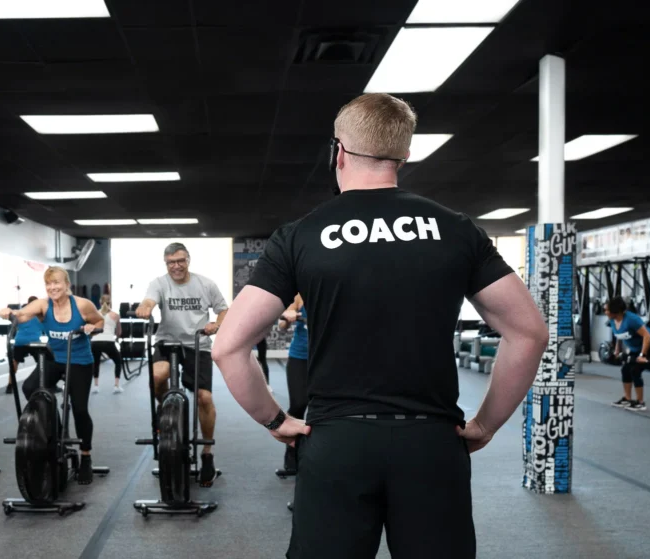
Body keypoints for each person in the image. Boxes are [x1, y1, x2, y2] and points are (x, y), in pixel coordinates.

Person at [211, 93, 548, 558]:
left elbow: (228, 346)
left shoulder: (300, 235)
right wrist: (487, 424)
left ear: (338, 153)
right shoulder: (455, 229)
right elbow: (529, 332)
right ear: (404, 155)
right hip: (431, 443)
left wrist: (275, 419)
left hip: (337, 442)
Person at [135, 242, 230, 486]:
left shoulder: (205, 284)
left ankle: (207, 453)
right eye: (171, 262)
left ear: (188, 260)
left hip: (198, 343)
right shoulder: (159, 283)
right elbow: (149, 301)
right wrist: (144, 308)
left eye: (180, 261)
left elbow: (224, 310)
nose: (176, 266)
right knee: (157, 377)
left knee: (204, 398)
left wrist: (216, 324)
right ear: (165, 263)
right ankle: (166, 407)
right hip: (167, 342)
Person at [0, 266, 104, 484]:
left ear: (67, 285)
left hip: (79, 360)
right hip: (54, 358)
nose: (52, 287)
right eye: (48, 284)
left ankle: (86, 456)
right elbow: (22, 314)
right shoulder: (43, 304)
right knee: (29, 387)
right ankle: (54, 424)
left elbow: (99, 321)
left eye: (56, 283)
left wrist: (92, 328)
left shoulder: (83, 305)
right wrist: (9, 313)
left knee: (80, 409)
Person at [605, 296, 650, 411]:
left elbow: (647, 336)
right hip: (636, 348)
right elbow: (619, 335)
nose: (605, 312)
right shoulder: (612, 320)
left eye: (607, 310)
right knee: (625, 370)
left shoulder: (632, 319)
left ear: (615, 311)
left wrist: (642, 355)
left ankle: (640, 402)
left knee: (635, 370)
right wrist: (617, 350)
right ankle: (627, 399)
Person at [277, 294, 309, 472]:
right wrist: (287, 317)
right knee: (298, 404)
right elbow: (281, 325)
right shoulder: (299, 297)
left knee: (325, 407)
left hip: (326, 358)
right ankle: (291, 450)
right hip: (300, 358)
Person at [7, 295, 43, 394]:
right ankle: (43, 384)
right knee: (42, 363)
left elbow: (15, 325)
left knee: (15, 362)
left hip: (20, 341)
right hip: (35, 342)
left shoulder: (21, 313)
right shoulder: (40, 315)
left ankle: (10, 385)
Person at [90, 294, 124, 394]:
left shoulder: (95, 314)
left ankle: (96, 386)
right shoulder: (115, 315)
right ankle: (116, 386)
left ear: (100, 302)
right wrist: (116, 337)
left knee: (96, 363)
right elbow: (119, 332)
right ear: (110, 303)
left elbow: (92, 330)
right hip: (108, 342)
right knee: (118, 361)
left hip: (95, 342)